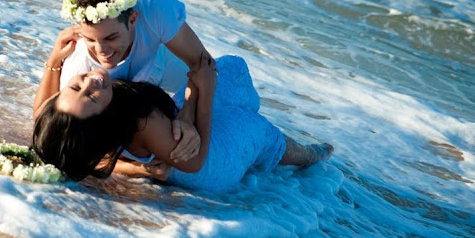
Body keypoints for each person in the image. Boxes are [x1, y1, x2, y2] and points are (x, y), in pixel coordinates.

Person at [32, 55, 333, 193]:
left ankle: (234, 110)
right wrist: (206, 92)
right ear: (102, 118)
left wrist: (57, 56)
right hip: (213, 163)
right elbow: (196, 162)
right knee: (264, 134)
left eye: (75, 87)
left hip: (175, 132)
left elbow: (42, 117)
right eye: (92, 98)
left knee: (230, 68)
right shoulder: (145, 124)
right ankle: (312, 155)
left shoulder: (73, 124)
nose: (91, 82)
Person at [33, 0, 216, 160]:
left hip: (162, 60)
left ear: (133, 19)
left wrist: (187, 113)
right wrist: (55, 60)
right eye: (89, 39)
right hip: (125, 91)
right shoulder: (82, 72)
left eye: (111, 37)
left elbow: (203, 63)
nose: (101, 50)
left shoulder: (153, 8)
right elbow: (45, 121)